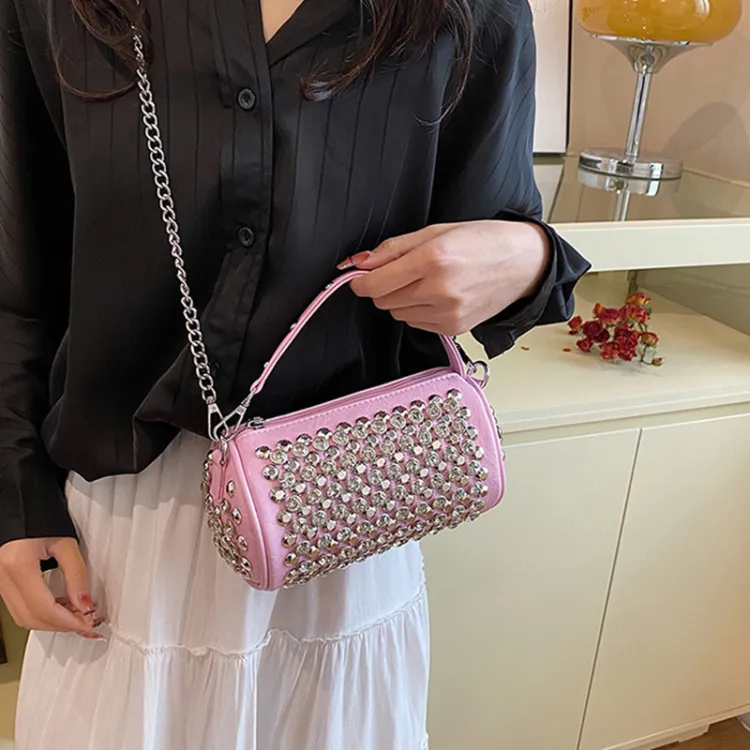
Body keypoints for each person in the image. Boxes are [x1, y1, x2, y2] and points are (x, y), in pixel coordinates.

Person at [0, 0, 589, 748]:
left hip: (344, 519)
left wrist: (528, 258)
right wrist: (16, 495)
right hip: (121, 543)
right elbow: (17, 278)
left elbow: (494, 231)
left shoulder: (470, 10)